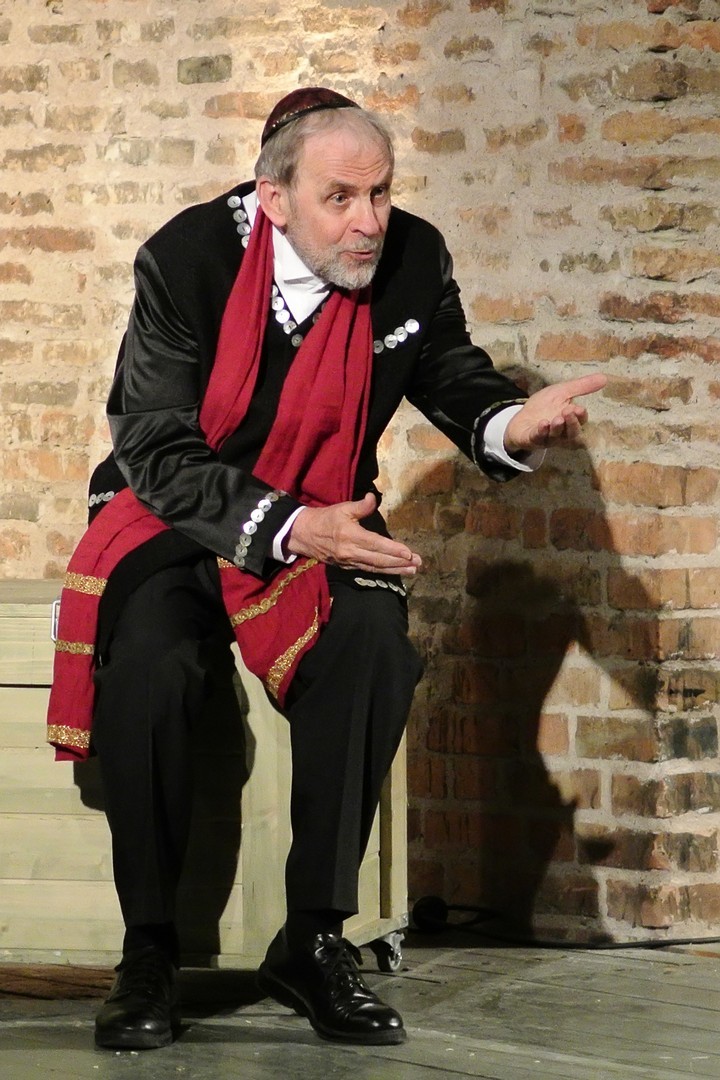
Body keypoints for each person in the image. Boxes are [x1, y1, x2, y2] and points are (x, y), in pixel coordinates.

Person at [46, 86, 605, 1051]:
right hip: (182, 515)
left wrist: (512, 423)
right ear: (274, 198)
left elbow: (452, 372)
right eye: (340, 198)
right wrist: (291, 526)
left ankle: (312, 937)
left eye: (380, 193)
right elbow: (155, 446)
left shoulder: (413, 257)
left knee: (375, 644)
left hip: (327, 513)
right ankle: (150, 952)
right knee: (150, 665)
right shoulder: (187, 259)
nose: (368, 222)